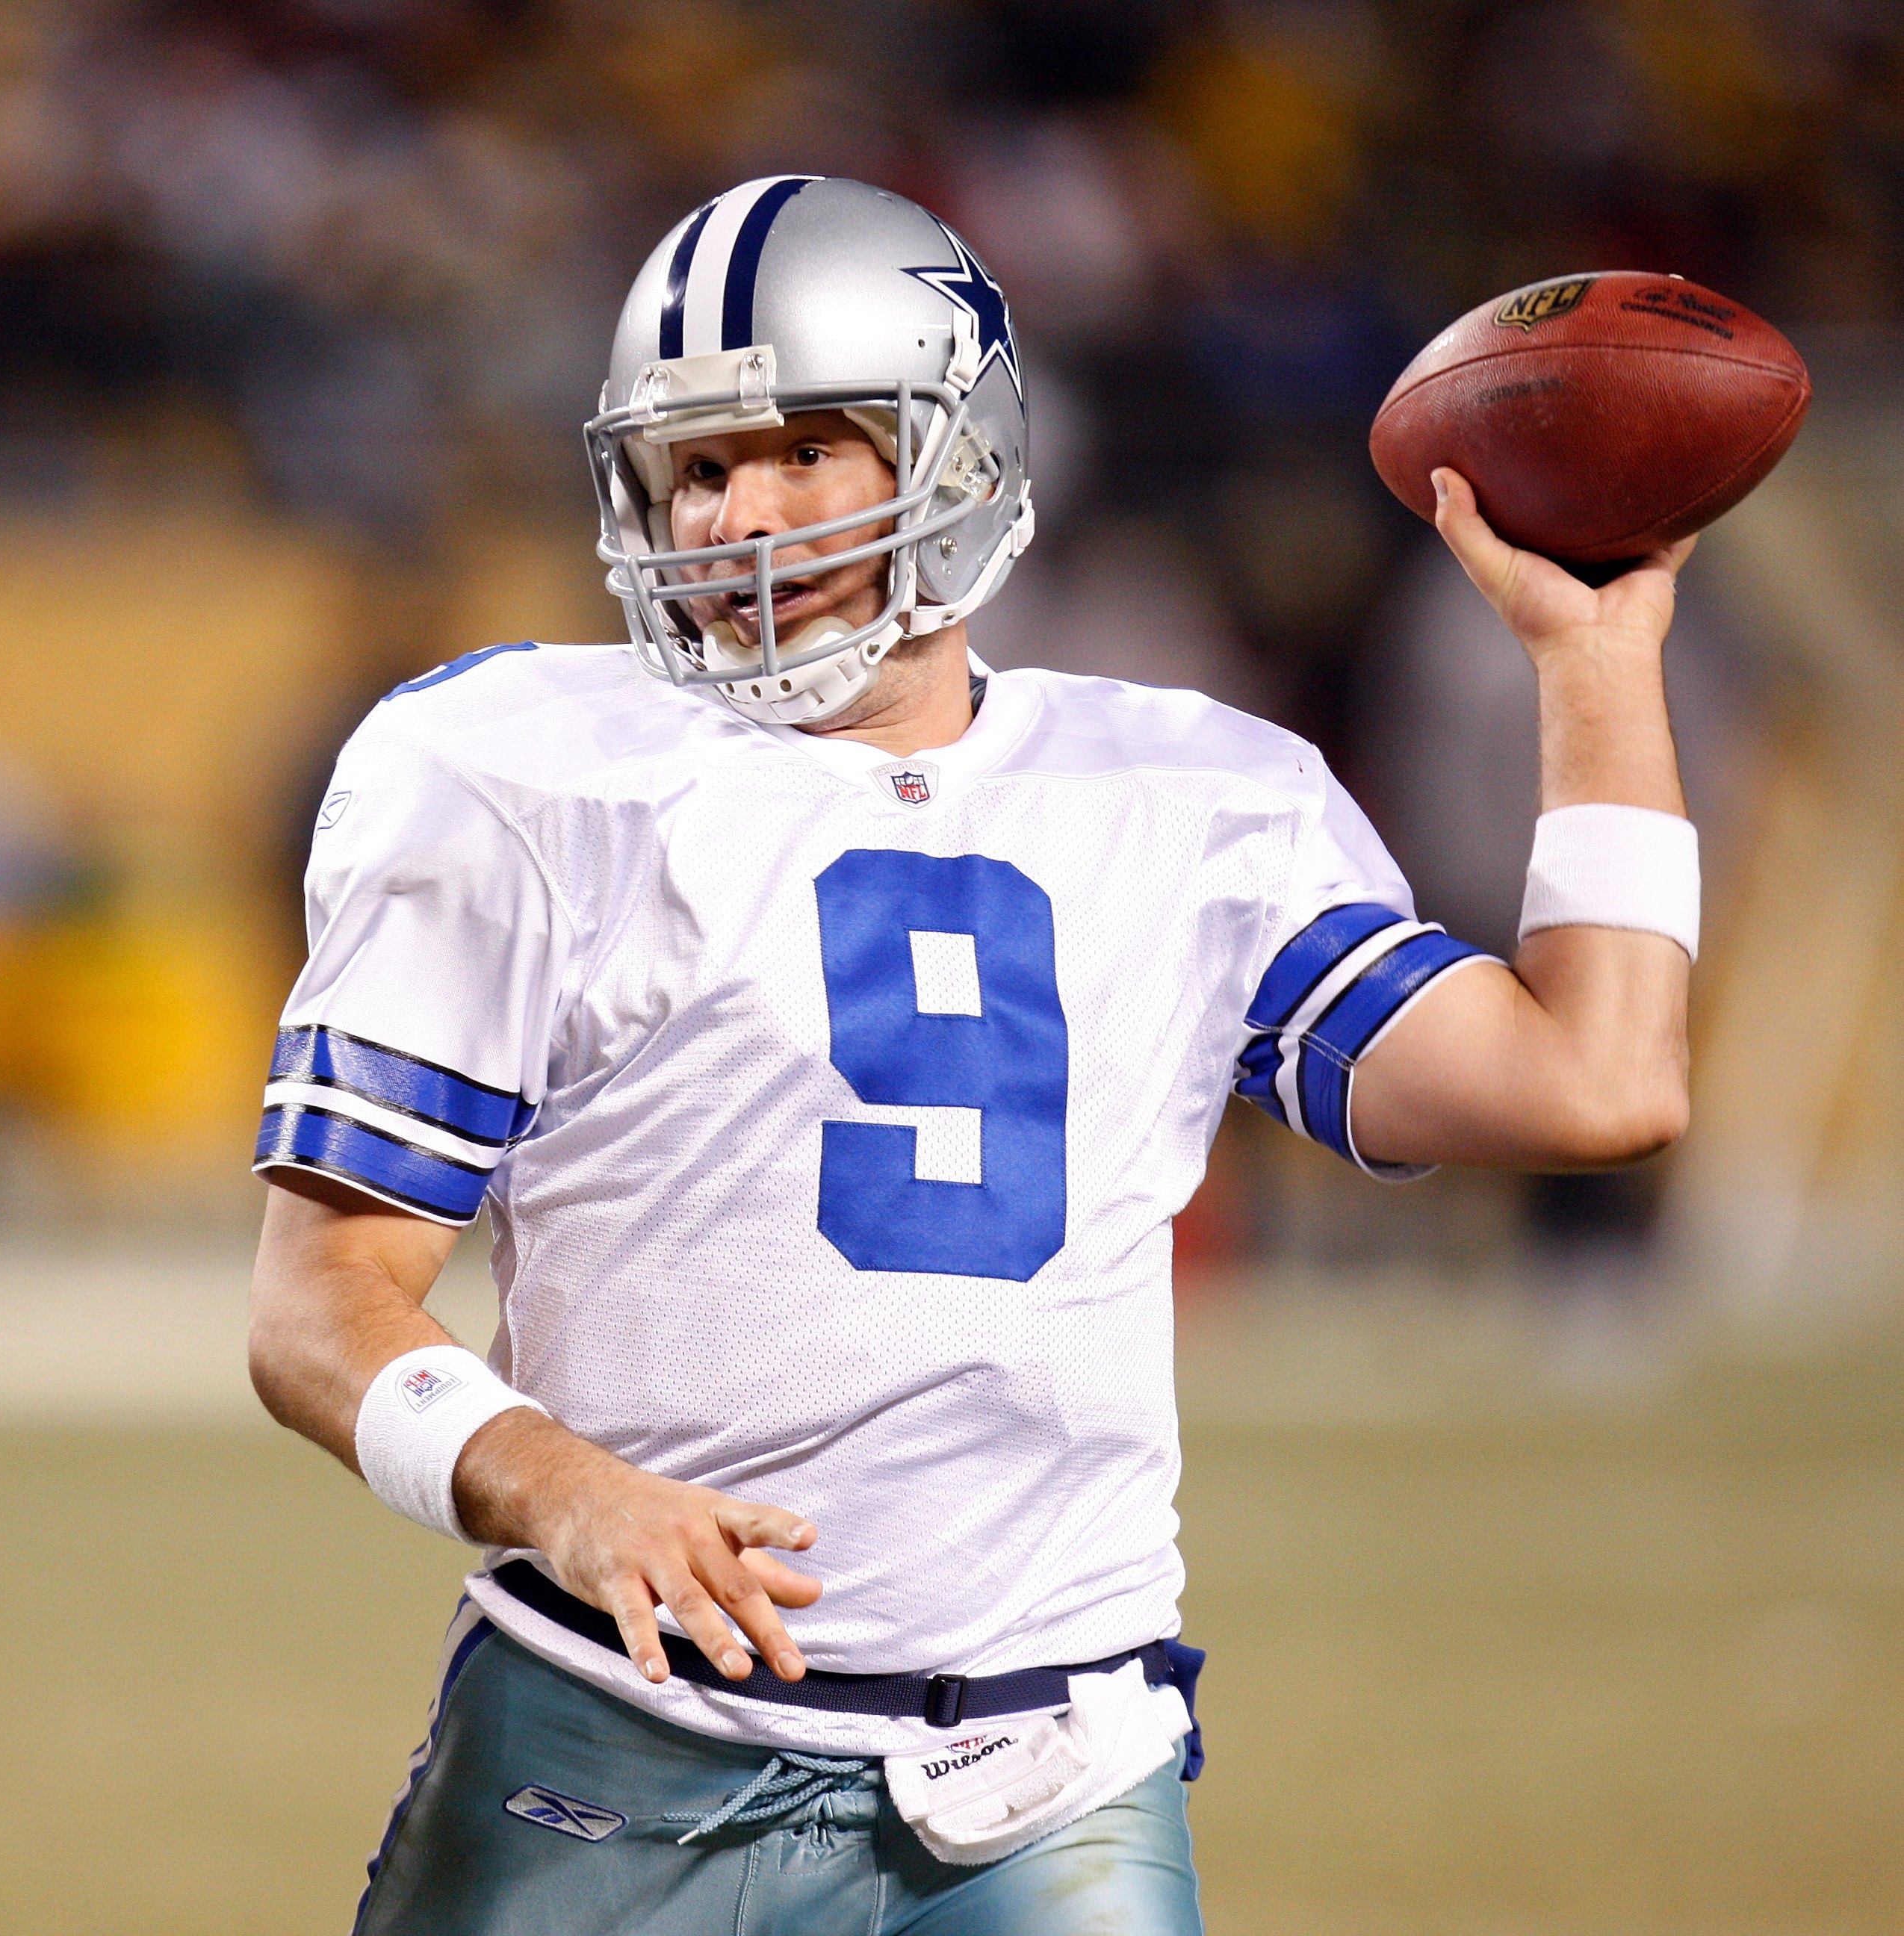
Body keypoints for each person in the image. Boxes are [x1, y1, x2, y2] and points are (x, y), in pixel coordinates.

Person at [247, 177, 1696, 1933]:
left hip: (1054, 1771)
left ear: (959, 452)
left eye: (799, 449)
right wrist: (561, 1490)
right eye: (695, 466)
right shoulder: (518, 771)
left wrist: (1595, 664)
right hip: (618, 1740)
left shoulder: (1191, 791)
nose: (735, 513)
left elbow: (1596, 1085)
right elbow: (317, 1312)